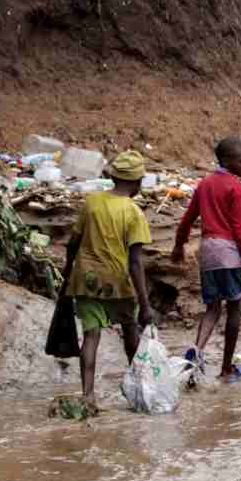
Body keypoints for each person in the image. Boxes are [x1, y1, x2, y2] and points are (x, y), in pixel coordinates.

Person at [63, 150, 154, 403]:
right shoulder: (134, 212)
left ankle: (88, 396)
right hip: (117, 282)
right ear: (137, 182)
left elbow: (73, 242)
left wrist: (68, 270)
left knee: (91, 337)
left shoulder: (92, 202)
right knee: (130, 333)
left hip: (86, 278)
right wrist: (145, 305)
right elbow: (135, 263)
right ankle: (139, 389)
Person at [172, 136, 241, 381]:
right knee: (234, 307)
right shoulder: (236, 187)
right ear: (226, 161)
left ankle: (196, 353)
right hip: (230, 254)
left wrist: (179, 245)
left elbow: (188, 218)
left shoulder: (205, 184)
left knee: (212, 309)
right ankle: (225, 368)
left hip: (208, 252)